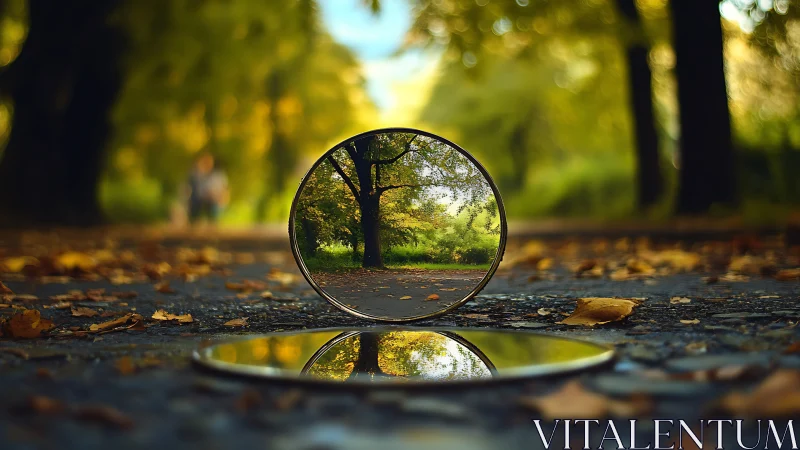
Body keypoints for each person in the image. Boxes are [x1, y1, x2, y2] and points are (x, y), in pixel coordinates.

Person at [187, 152, 229, 224]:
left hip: (214, 201)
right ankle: (194, 221)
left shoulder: (218, 175)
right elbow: (192, 191)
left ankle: (212, 222)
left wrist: (221, 198)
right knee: (195, 205)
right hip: (200, 201)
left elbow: (225, 190)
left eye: (208, 162)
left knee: (214, 211)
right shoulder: (196, 175)